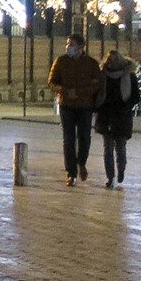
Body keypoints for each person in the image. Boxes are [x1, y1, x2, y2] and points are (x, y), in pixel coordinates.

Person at [47, 34, 105, 187]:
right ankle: (71, 173)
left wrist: (80, 92)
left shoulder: (90, 63)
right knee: (68, 139)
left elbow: (98, 83)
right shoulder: (61, 61)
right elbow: (52, 82)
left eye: (71, 44)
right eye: (68, 44)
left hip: (85, 106)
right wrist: (64, 90)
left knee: (84, 137)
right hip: (66, 104)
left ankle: (81, 163)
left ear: (80, 47)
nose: (68, 47)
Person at [94, 46, 139, 187]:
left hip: (122, 116)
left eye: (114, 60)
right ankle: (110, 177)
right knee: (107, 148)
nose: (111, 63)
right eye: (109, 60)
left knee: (120, 148)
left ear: (121, 61)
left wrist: (126, 107)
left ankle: (121, 171)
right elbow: (96, 94)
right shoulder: (102, 75)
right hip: (106, 115)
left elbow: (136, 96)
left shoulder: (129, 76)